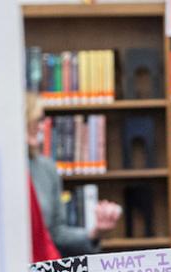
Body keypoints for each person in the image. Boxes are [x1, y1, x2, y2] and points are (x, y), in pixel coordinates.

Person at [25, 93, 122, 257]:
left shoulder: (46, 169)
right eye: (37, 120)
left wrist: (95, 232)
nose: (42, 127)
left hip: (38, 271)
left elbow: (56, 233)